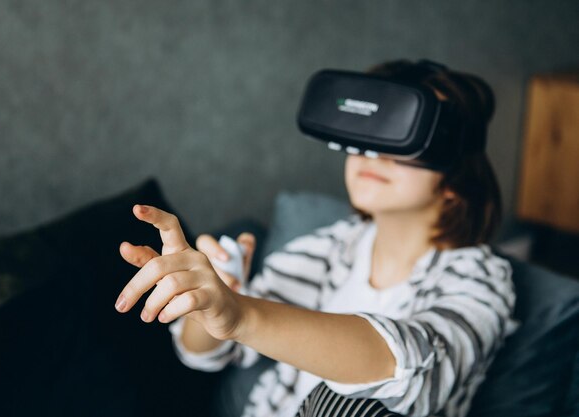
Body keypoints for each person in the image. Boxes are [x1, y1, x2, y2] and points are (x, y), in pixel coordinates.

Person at [115, 60, 519, 417]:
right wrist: (209, 301)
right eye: (368, 131)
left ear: (456, 182)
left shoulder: (481, 278)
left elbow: (412, 374)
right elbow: (207, 352)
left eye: (400, 133)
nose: (371, 152)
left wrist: (243, 313)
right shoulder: (327, 249)